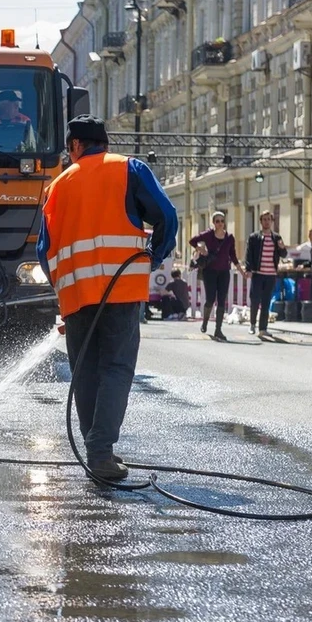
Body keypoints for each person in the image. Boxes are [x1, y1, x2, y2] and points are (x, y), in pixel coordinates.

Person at [37, 114, 177, 481]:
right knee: (116, 368)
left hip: (77, 294)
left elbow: (43, 250)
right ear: (105, 143)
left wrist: (62, 287)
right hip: (122, 289)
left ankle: (95, 451)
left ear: (75, 146)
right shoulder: (128, 169)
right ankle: (100, 452)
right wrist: (152, 256)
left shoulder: (57, 187)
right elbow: (167, 216)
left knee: (86, 370)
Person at [189, 211, 248, 342]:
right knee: (210, 299)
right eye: (217, 221)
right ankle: (204, 322)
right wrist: (200, 249)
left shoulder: (229, 238)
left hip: (224, 272)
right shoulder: (208, 235)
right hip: (209, 271)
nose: (220, 224)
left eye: (222, 221)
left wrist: (241, 271)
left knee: (222, 300)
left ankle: (218, 330)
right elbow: (192, 241)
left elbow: (233, 255)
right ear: (213, 223)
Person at [244, 210, 288, 337]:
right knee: (255, 300)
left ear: (272, 221)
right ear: (261, 221)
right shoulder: (254, 237)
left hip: (271, 274)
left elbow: (284, 254)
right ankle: (252, 324)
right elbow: (249, 254)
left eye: (269, 219)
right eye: (264, 219)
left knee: (266, 301)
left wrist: (282, 247)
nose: (267, 222)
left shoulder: (276, 237)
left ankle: (263, 328)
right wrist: (249, 269)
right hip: (258, 273)